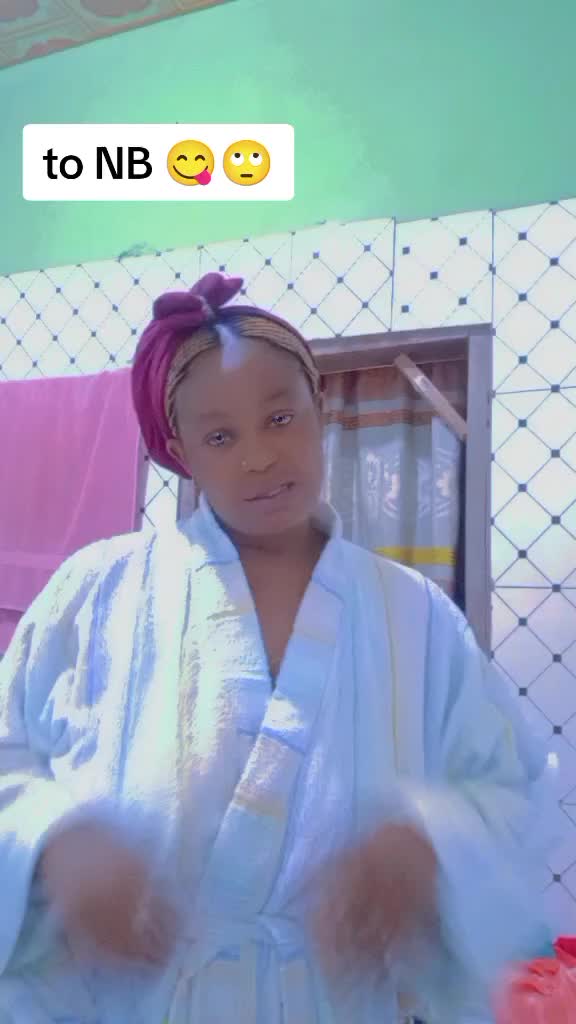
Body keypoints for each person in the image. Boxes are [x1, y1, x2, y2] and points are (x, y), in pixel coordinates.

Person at [0, 272, 553, 1024]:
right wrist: (52, 845)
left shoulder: (414, 614)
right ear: (182, 452)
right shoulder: (96, 590)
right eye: (220, 437)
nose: (259, 457)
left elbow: (511, 786)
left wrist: (429, 845)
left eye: (280, 417)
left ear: (319, 409)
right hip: (123, 998)